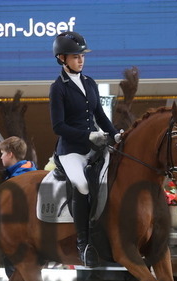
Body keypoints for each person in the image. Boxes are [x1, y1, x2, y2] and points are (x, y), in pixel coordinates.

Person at [49, 31, 121, 267]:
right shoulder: (58, 88)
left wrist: (114, 133)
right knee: (81, 185)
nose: (80, 60)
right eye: (75, 56)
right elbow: (58, 126)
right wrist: (87, 135)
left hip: (95, 145)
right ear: (62, 58)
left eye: (82, 56)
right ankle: (83, 243)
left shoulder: (90, 82)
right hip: (71, 151)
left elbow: (99, 114)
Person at [0, 136, 38, 281]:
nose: (0, 158)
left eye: (2, 153)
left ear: (10, 154)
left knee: (15, 270)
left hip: (20, 231)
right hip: (29, 230)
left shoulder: (17, 178)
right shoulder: (29, 170)